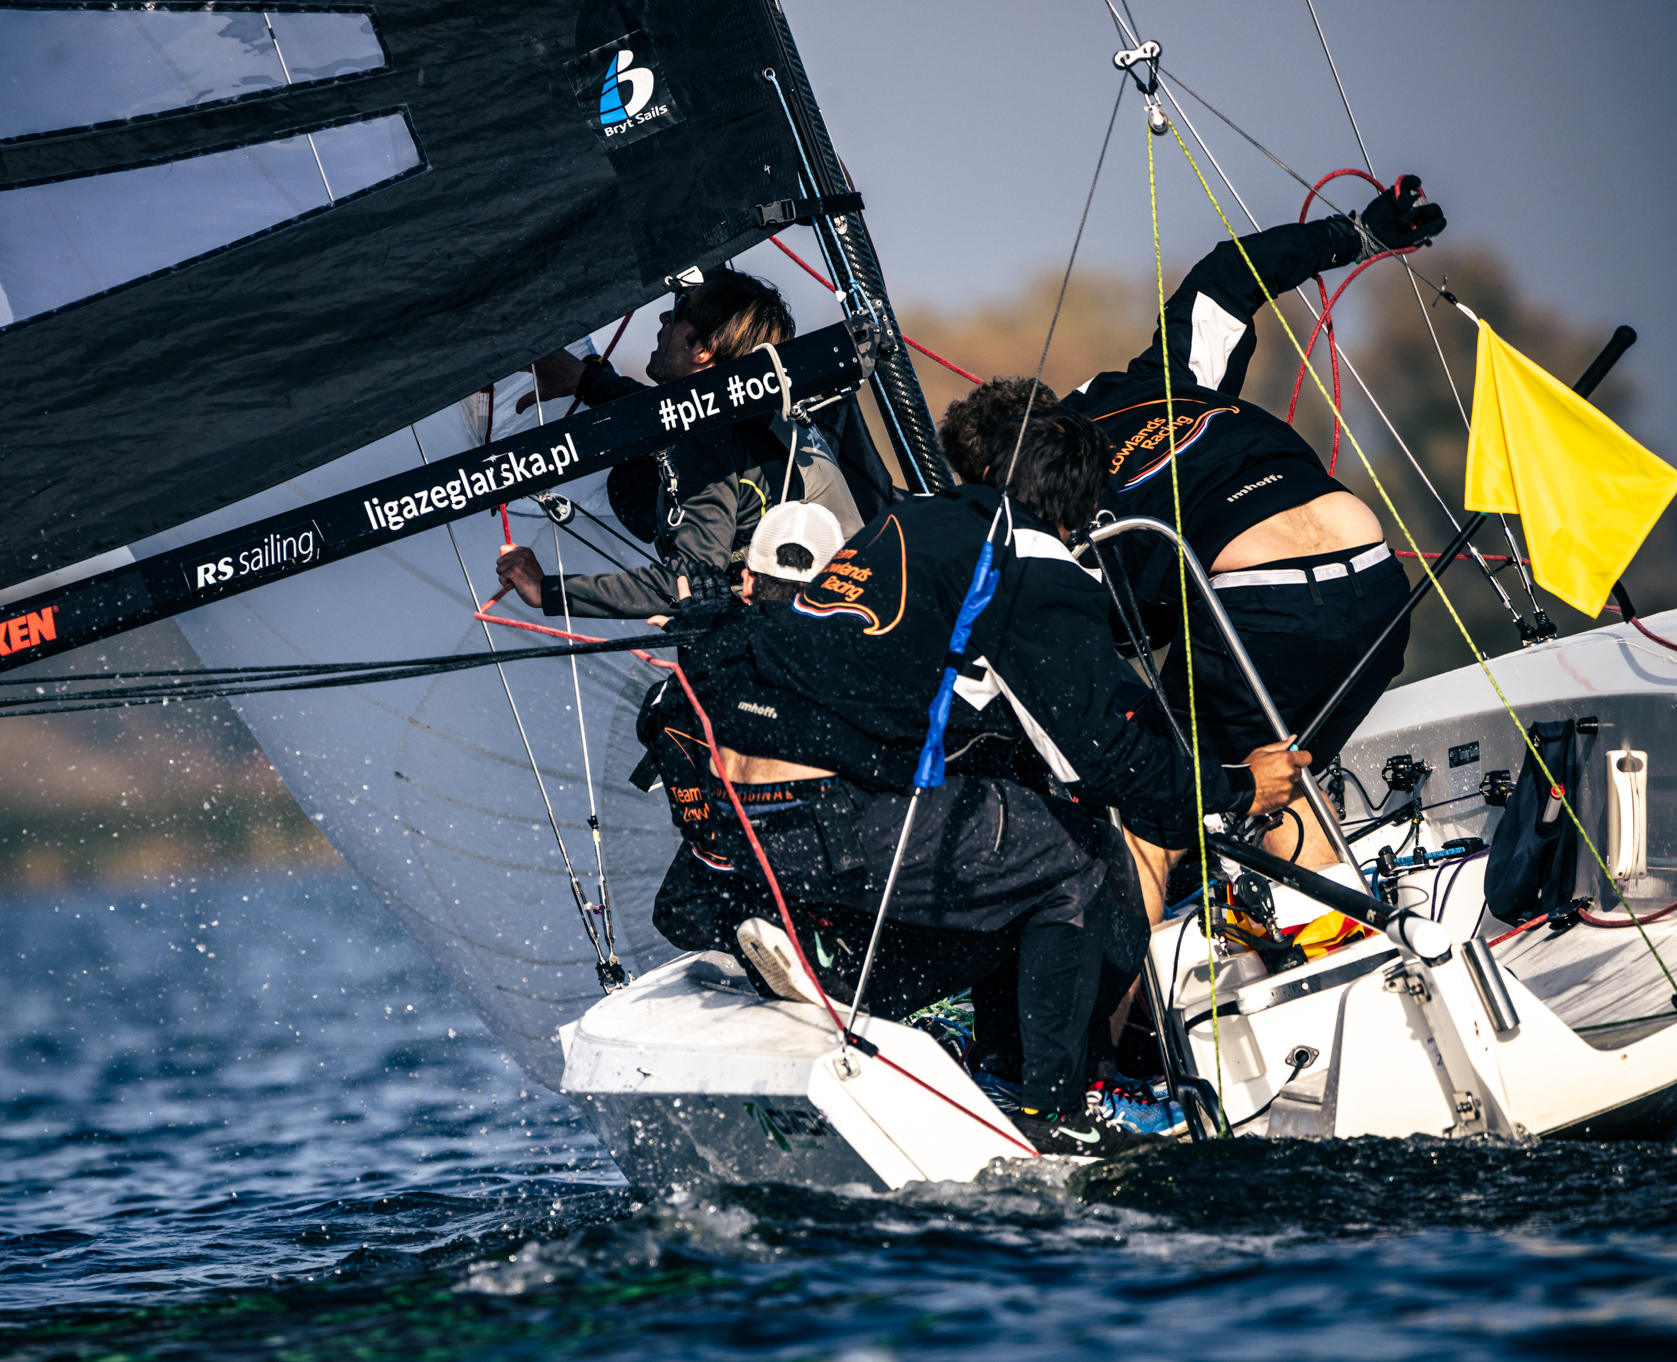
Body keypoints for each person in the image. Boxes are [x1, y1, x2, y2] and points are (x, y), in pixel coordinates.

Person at [665, 408, 1309, 1153]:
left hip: (738, 809)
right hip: (829, 808)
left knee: (1012, 852)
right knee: (1081, 859)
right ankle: (1060, 1113)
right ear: (1081, 509)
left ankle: (967, 1048)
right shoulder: (1029, 556)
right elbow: (1104, 759)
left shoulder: (903, 521)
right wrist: (1240, 788)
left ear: (984, 469)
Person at [968, 176, 1446, 921]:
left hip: (1266, 604)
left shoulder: (1040, 498)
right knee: (1277, 770)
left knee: (1157, 802)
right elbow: (1228, 276)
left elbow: (1095, 641)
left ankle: (1129, 987)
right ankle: (1341, 936)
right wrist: (1361, 234)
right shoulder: (1161, 379)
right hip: (1381, 586)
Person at [494, 268, 871, 619]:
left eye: (678, 311)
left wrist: (547, 591)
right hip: (852, 608)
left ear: (703, 349)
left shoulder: (710, 439)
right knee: (638, 477)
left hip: (812, 631)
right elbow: (668, 415)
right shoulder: (761, 410)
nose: (663, 318)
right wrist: (587, 381)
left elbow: (687, 583)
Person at [630, 500, 847, 947]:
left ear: (747, 582)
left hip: (757, 855)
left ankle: (791, 933)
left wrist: (706, 641)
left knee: (678, 911)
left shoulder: (708, 660)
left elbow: (659, 724)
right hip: (848, 845)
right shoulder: (866, 642)